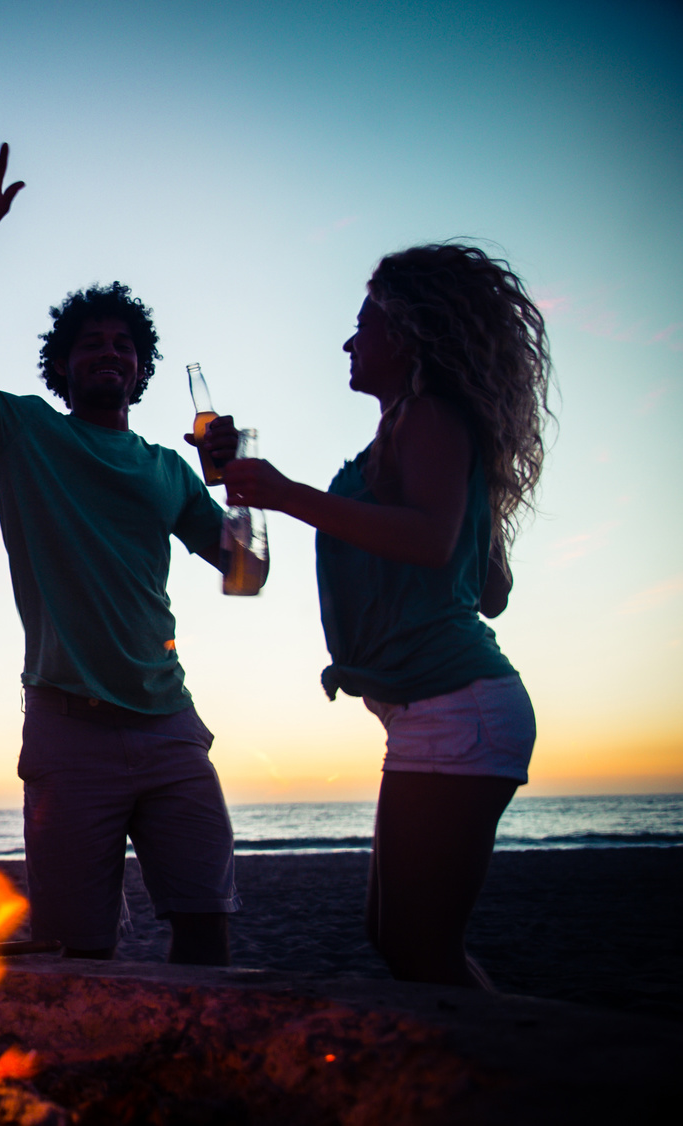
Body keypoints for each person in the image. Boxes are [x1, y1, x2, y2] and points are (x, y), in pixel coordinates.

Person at [0, 141, 246, 965]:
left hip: (170, 727)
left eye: (123, 345)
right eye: (89, 343)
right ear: (60, 366)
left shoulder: (167, 469)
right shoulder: (23, 432)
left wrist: (231, 482)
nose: (107, 353)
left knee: (205, 922)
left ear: (140, 370)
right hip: (67, 729)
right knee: (76, 949)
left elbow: (246, 574)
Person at [222, 244, 551, 988]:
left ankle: (509, 1072)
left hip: (455, 705)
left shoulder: (428, 414)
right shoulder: (409, 428)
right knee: (394, 936)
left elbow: (433, 542)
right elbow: (487, 586)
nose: (349, 340)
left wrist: (285, 493)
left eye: (363, 322)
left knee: (416, 945)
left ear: (407, 332)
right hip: (439, 707)